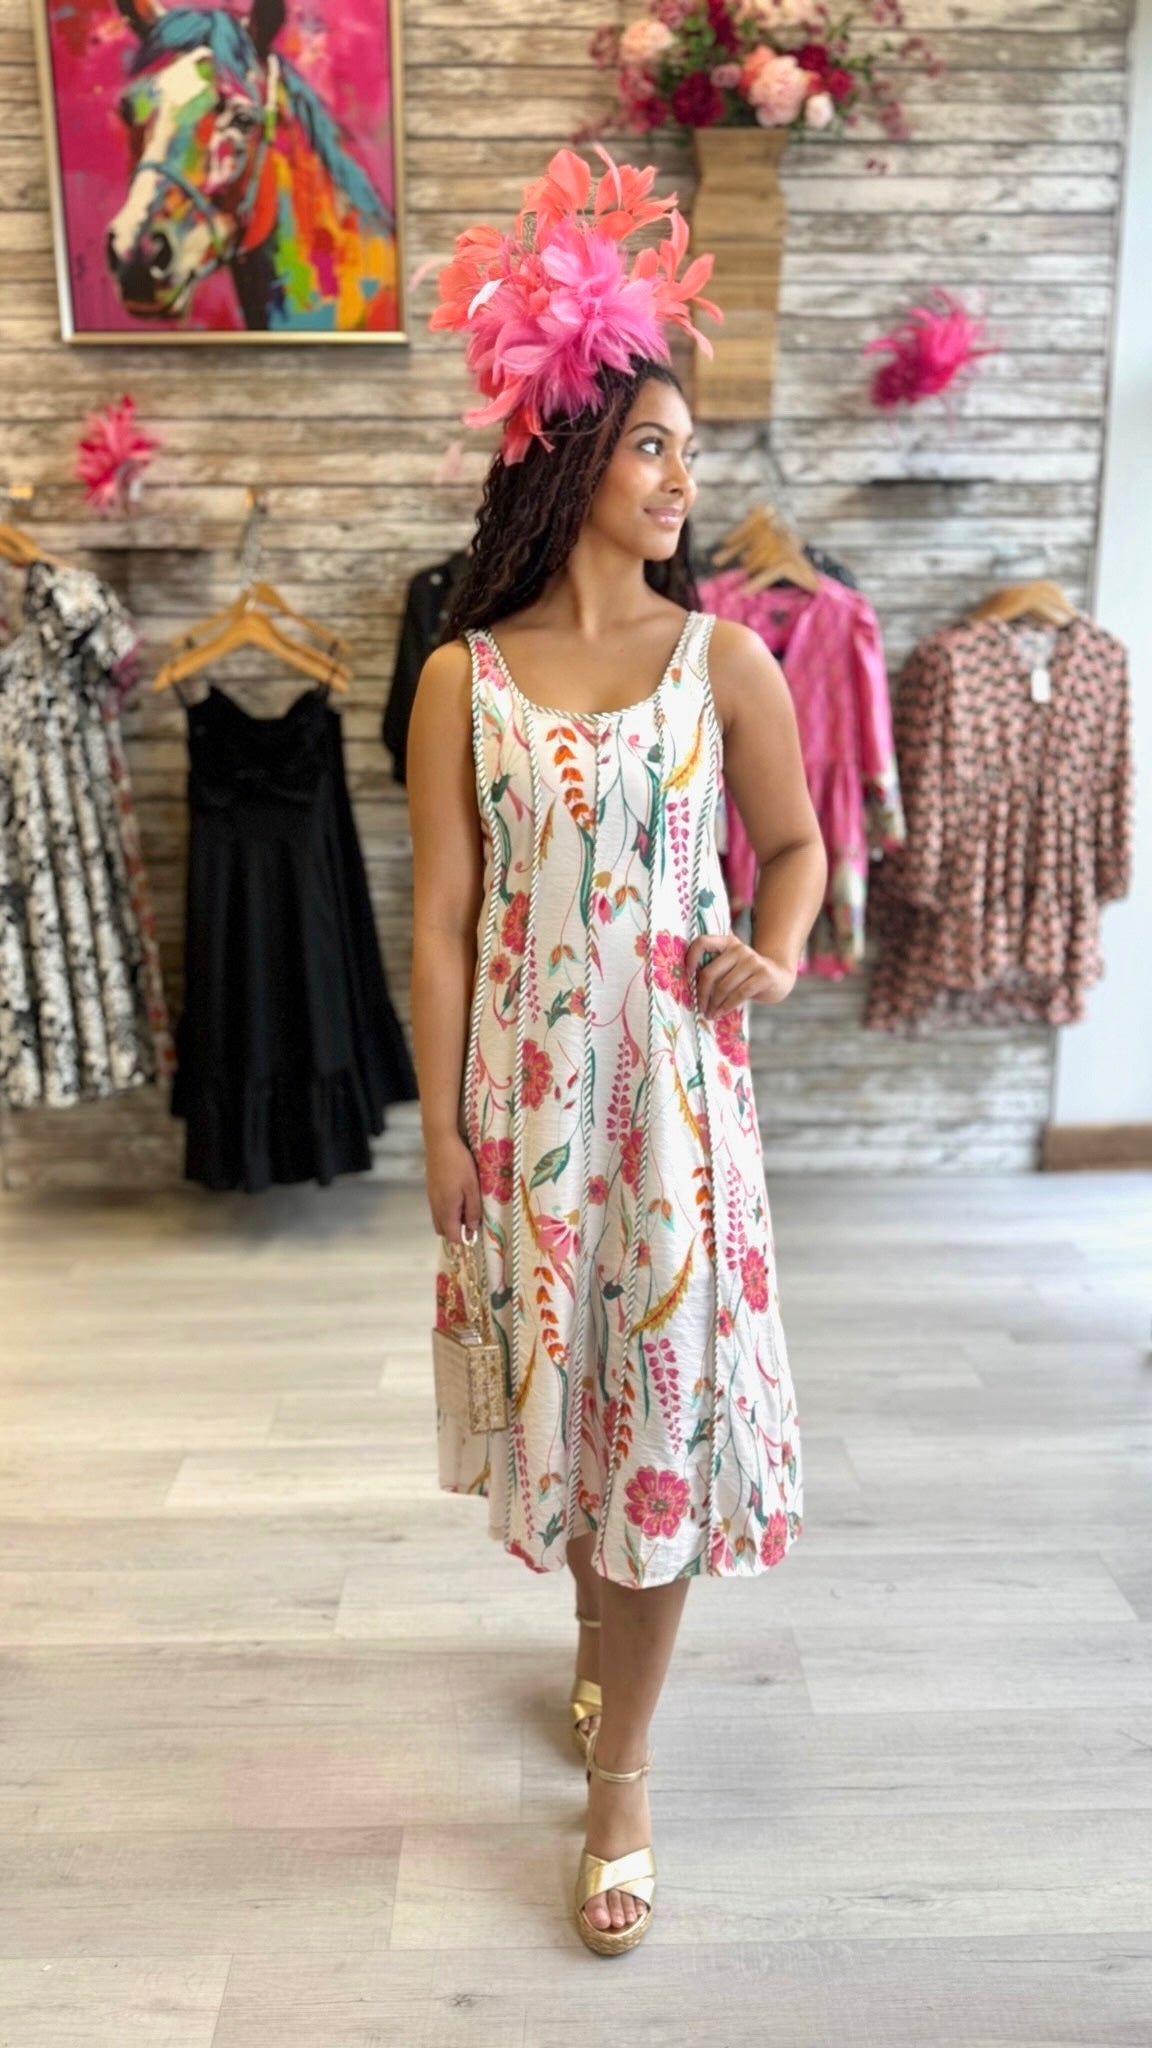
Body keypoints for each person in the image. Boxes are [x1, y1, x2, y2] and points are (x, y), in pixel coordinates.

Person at [406, 148, 828, 1958]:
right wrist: (445, 1131)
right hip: (526, 1117)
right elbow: (441, 920)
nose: (681, 479)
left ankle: (623, 1781)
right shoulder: (463, 677)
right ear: (571, 455)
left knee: (655, 1420)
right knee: (573, 1416)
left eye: (687, 451)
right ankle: (595, 1660)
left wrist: (774, 953)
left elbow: (796, 847)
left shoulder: (723, 664)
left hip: (672, 1115)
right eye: (653, 445)